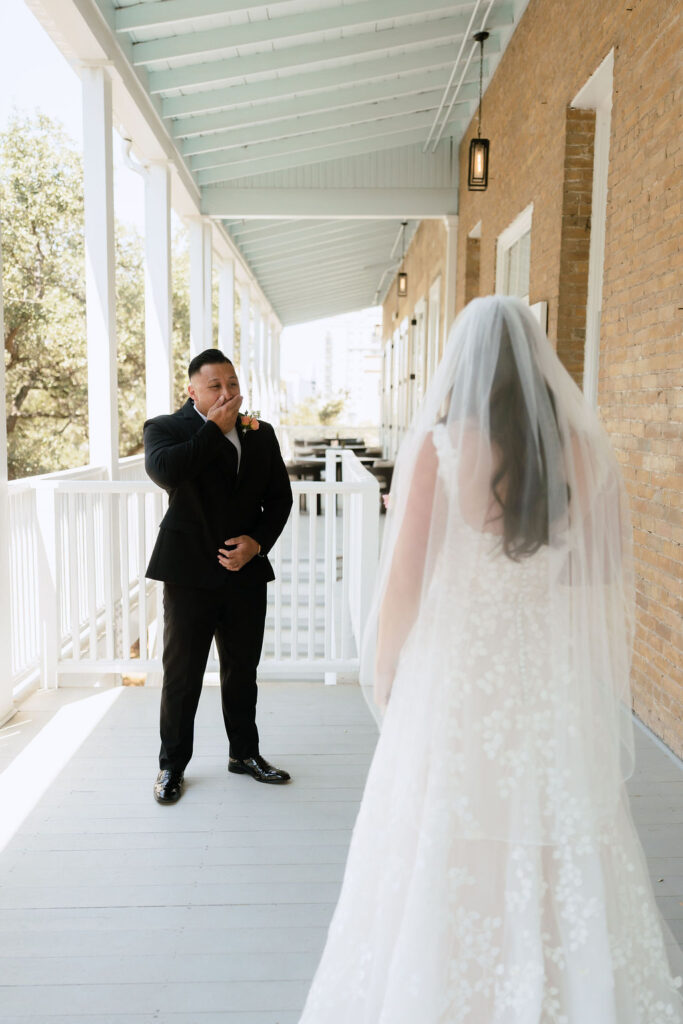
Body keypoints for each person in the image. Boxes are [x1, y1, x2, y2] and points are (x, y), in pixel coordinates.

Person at [298, 296, 682, 1023]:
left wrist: (386, 671)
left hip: (458, 675)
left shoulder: (441, 448)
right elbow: (599, 571)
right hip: (549, 675)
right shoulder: (583, 450)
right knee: (553, 817)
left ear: (466, 364)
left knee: (445, 819)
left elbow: (405, 584)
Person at [144, 350, 293, 804]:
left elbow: (280, 499)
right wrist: (213, 429)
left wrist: (257, 543)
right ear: (192, 391)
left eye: (232, 384)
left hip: (244, 572)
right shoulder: (165, 429)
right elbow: (166, 472)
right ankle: (172, 766)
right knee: (182, 675)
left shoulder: (261, 433)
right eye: (215, 386)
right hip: (188, 571)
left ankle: (244, 754)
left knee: (242, 669)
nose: (227, 393)